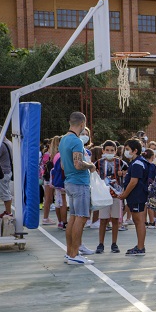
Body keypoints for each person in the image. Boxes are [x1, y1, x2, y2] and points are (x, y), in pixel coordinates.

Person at [59, 112, 96, 265]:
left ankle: (70, 253)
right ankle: (74, 254)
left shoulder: (63, 140)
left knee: (73, 218)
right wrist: (91, 165)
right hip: (79, 183)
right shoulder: (76, 141)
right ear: (82, 124)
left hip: (69, 181)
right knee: (80, 217)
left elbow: (62, 164)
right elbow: (78, 164)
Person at [116, 139, 148, 256]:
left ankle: (140, 247)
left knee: (139, 221)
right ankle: (139, 246)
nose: (126, 151)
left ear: (135, 151)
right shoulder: (135, 163)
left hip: (137, 196)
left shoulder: (137, 163)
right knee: (137, 220)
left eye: (128, 149)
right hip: (136, 196)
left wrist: (125, 194)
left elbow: (134, 181)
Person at [95, 140, 126, 254]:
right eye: (107, 150)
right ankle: (101, 243)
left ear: (115, 151)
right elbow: (93, 173)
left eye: (112, 150)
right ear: (103, 150)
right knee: (103, 220)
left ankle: (114, 243)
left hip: (116, 195)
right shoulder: (98, 163)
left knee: (115, 219)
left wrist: (122, 174)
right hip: (103, 195)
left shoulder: (120, 163)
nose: (109, 152)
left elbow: (126, 171)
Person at [0, 124, 13, 218]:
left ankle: (9, 212)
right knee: (6, 191)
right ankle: (7, 211)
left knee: (4, 193)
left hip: (3, 172)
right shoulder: (9, 142)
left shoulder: (1, 145)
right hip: (7, 170)